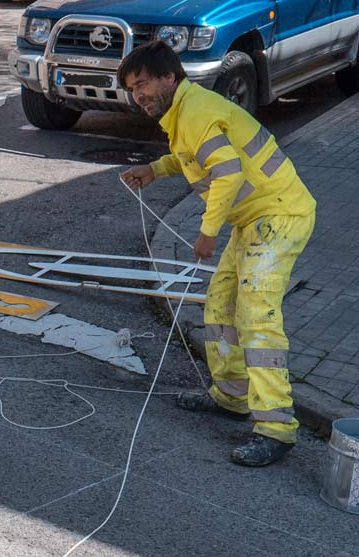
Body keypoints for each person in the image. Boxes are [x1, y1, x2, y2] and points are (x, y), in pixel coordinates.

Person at [118, 42, 317, 467]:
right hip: (257, 219)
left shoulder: (196, 111)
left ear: (169, 77)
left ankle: (276, 429)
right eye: (133, 89)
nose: (138, 95)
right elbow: (194, 158)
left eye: (143, 84)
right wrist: (156, 169)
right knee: (221, 302)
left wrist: (207, 232)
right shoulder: (185, 113)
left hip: (280, 215)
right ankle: (231, 396)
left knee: (256, 314)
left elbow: (226, 171)